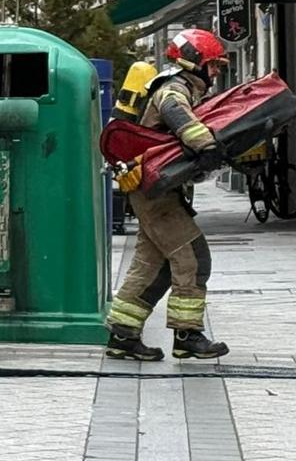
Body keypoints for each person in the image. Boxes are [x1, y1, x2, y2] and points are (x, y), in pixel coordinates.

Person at [105, 29, 231, 361]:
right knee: (193, 257)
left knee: (151, 265)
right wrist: (207, 147)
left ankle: (122, 335)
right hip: (156, 193)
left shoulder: (176, 86)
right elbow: (180, 120)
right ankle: (188, 335)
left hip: (153, 190)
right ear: (196, 61)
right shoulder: (174, 89)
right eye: (213, 65)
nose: (216, 72)